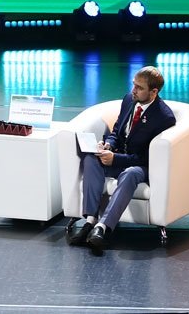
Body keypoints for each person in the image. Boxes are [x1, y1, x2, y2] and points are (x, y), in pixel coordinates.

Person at [69, 65, 175, 251]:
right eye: (133, 85)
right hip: (119, 156)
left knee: (130, 174)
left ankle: (103, 228)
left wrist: (116, 159)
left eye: (139, 88)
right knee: (90, 159)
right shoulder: (129, 100)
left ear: (154, 92)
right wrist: (108, 144)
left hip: (142, 165)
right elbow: (117, 130)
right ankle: (90, 221)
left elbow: (148, 157)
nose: (133, 90)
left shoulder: (164, 117)